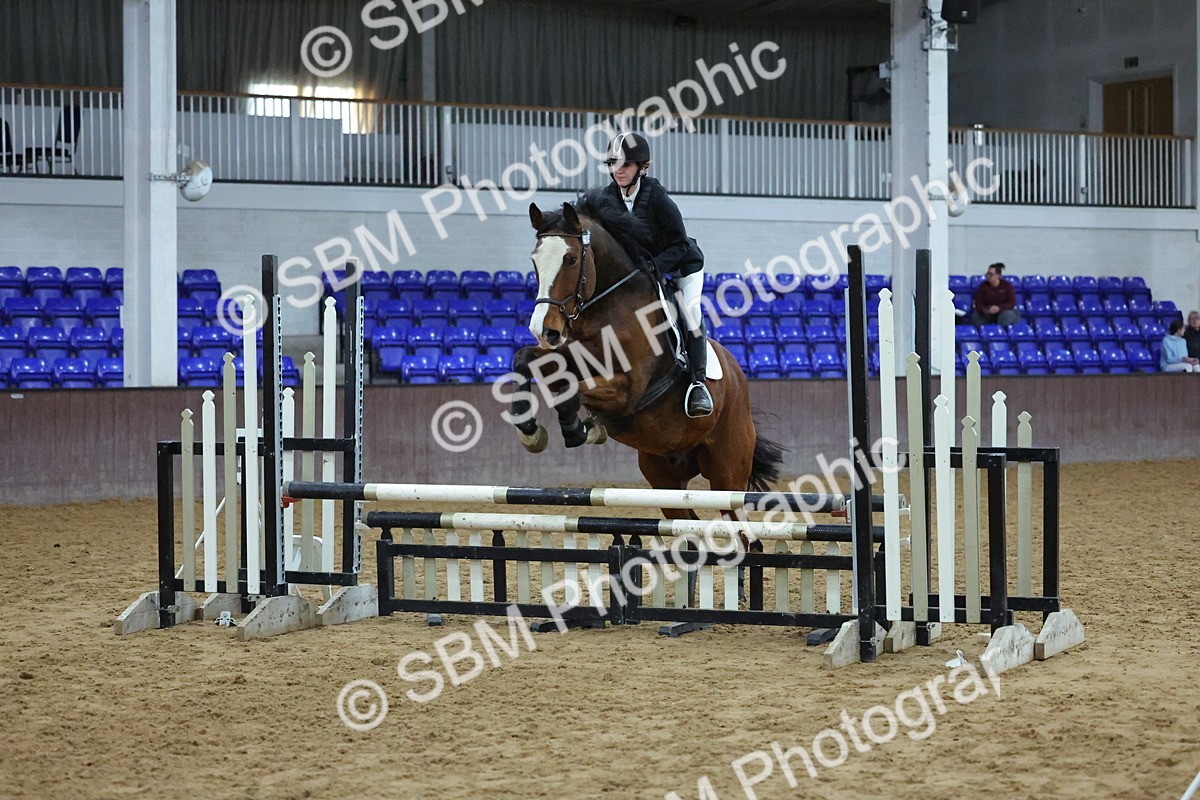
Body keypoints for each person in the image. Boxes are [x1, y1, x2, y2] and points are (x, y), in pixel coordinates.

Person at [600, 132, 712, 417]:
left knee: (690, 312)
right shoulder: (607, 198)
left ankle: (699, 384)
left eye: (626, 164)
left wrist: (653, 268)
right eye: (614, 164)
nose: (619, 170)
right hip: (642, 272)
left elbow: (680, 244)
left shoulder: (658, 198)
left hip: (680, 265)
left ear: (642, 168)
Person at [971, 262, 1020, 327]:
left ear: (998, 275)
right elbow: (978, 303)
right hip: (988, 313)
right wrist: (985, 310)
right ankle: (984, 333)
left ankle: (1001, 333)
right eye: (988, 274)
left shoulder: (1006, 285)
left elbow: (1011, 303)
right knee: (976, 316)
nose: (988, 276)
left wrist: (999, 308)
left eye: (991, 274)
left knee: (1006, 315)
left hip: (1003, 311)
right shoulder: (983, 286)